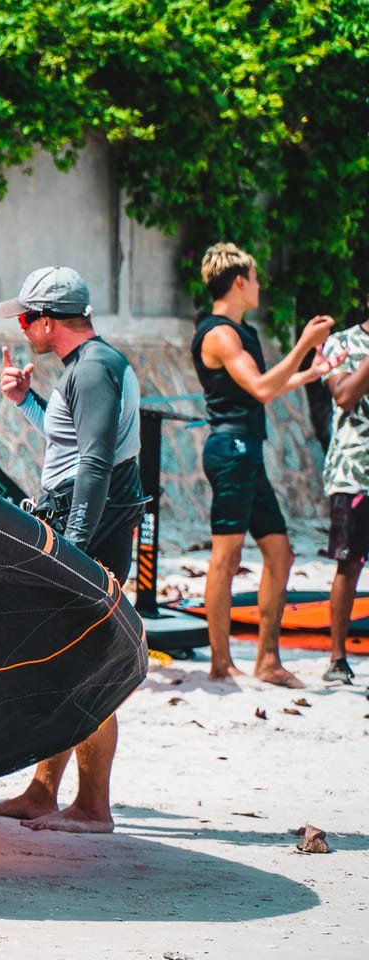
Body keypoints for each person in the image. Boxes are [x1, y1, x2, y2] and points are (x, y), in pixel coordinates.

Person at [0, 265, 144, 833]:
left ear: (49, 321)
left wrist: (72, 549)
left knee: (86, 667)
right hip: (86, 523)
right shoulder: (88, 367)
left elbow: (96, 463)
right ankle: (42, 793)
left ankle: (93, 807)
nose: (23, 328)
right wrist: (26, 401)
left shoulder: (94, 370)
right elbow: (70, 442)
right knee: (62, 662)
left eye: (27, 318)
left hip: (90, 532)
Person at [191, 243, 341, 687]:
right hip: (230, 450)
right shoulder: (220, 334)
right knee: (227, 556)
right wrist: (303, 345)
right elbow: (259, 388)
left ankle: (268, 660)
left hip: (248, 452)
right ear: (240, 281)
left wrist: (311, 371)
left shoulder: (242, 332)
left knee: (280, 554)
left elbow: (264, 388)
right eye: (255, 279)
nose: (259, 286)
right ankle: (221, 663)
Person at [319, 290, 369, 685]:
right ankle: (337, 658)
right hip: (355, 472)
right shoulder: (342, 343)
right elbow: (344, 395)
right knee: (348, 563)